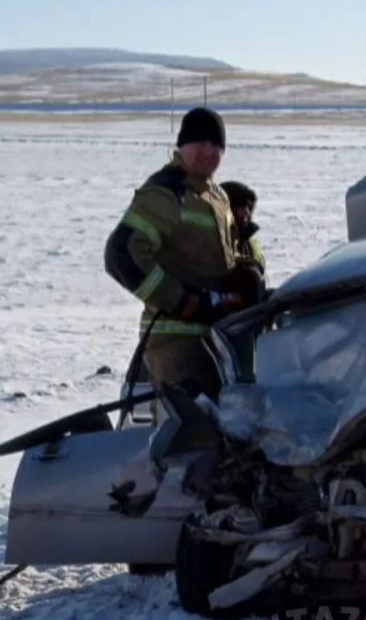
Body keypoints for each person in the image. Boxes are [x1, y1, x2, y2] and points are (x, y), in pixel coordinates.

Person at [104, 107, 256, 402]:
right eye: (200, 142)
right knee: (197, 437)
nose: (208, 151)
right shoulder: (167, 193)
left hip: (214, 337)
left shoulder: (216, 196)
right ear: (181, 145)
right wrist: (179, 301)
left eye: (216, 145)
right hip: (175, 341)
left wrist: (243, 271)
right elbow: (121, 255)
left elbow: (217, 255)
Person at [221, 180, 265, 276]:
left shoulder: (250, 244)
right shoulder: (212, 243)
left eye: (249, 207)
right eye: (240, 207)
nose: (246, 212)